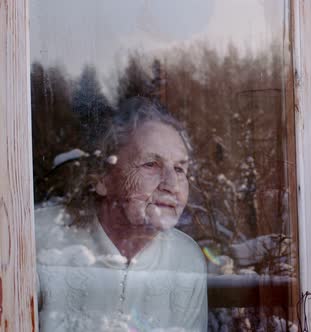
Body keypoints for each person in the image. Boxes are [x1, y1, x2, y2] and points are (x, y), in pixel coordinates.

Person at [35, 97, 207, 331]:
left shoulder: (186, 259)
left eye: (179, 169)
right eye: (151, 165)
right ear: (102, 179)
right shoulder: (37, 239)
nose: (172, 184)